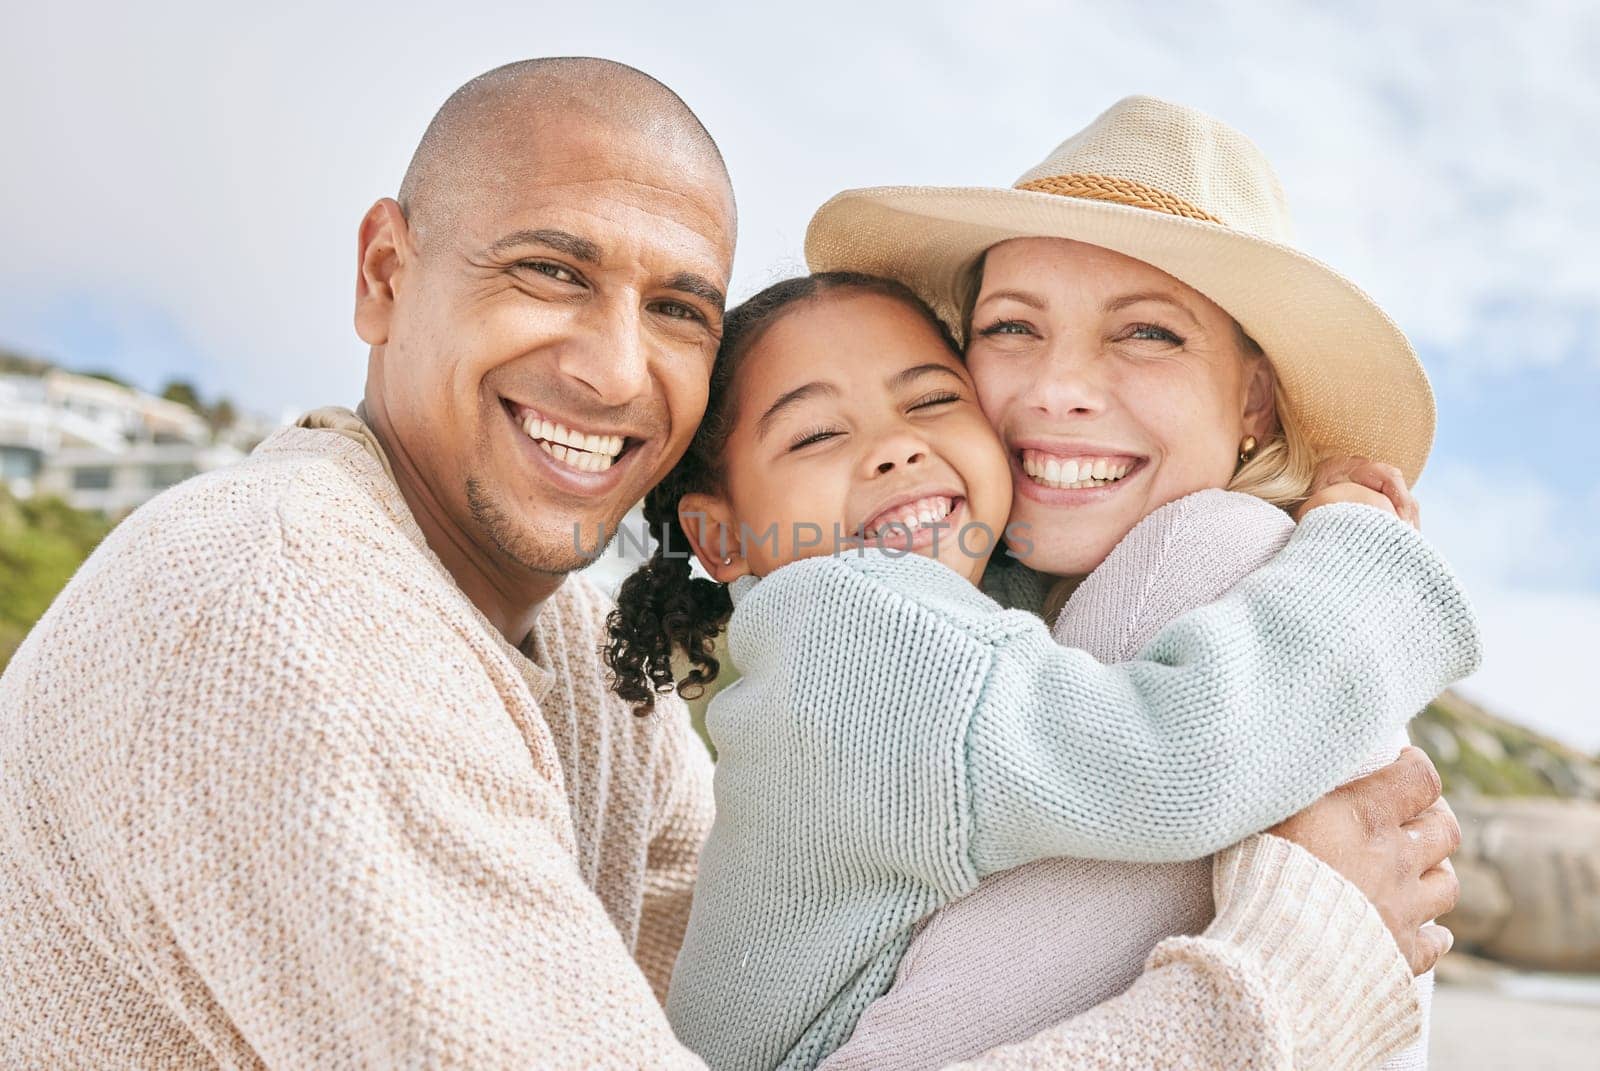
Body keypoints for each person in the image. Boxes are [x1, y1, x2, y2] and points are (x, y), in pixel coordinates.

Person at [0, 60, 1461, 1069]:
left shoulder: (581, 664)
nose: (612, 365)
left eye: (681, 307)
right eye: (549, 270)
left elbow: (725, 958)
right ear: (384, 273)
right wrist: (1285, 975)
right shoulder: (293, 615)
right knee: (1217, 559)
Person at [606, 271, 1477, 1070]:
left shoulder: (973, 607)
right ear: (718, 537)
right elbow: (1171, 760)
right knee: (1236, 556)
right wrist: (1362, 565)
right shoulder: (843, 628)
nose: (895, 449)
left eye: (935, 400)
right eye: (817, 433)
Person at [810, 96, 1446, 1071]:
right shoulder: (977, 612)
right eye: (1012, 326)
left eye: (1146, 333)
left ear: (1253, 401)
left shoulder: (1210, 558)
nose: (1057, 385)